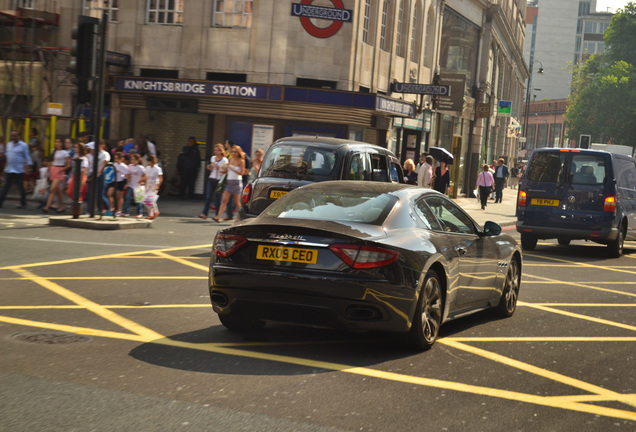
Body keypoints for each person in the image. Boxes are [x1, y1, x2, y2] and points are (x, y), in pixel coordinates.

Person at [0, 130, 33, 209]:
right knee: (5, 186)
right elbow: (7, 155)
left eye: (16, 136)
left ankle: (23, 203)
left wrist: (28, 168)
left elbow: (27, 157)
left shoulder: (23, 145)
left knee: (20, 187)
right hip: (9, 169)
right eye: (13, 136)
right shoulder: (9, 144)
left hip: (19, 170)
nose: (14, 137)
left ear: (19, 136)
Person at [213, 145, 245, 223]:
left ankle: (239, 218)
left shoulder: (241, 161)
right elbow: (226, 172)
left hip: (236, 182)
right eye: (232, 151)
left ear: (239, 152)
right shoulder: (230, 160)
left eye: (235, 151)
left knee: (237, 202)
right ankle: (219, 216)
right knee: (224, 200)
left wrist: (231, 168)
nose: (233, 153)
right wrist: (223, 169)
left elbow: (242, 172)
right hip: (229, 181)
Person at [199, 143, 227, 220]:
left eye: (217, 150)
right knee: (208, 197)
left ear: (221, 151)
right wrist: (209, 167)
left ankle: (217, 215)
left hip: (219, 180)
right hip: (211, 179)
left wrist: (217, 166)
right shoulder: (213, 158)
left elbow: (223, 170)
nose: (216, 151)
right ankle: (204, 213)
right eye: (215, 150)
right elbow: (211, 168)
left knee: (218, 198)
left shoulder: (224, 160)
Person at [43, 138, 70, 213]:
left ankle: (47, 206)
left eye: (58, 142)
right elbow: (50, 161)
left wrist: (62, 169)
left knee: (52, 189)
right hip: (53, 169)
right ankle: (62, 206)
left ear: (62, 144)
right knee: (57, 190)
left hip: (59, 170)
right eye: (56, 142)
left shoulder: (64, 152)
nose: (57, 143)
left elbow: (68, 165)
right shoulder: (53, 151)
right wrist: (48, 170)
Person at [123, 153, 145, 218]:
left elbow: (145, 175)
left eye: (134, 159)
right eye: (132, 159)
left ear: (138, 160)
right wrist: (127, 183)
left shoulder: (141, 167)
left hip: (138, 185)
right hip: (131, 185)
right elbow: (128, 176)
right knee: (127, 198)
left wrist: (142, 181)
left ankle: (139, 213)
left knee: (138, 200)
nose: (133, 161)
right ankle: (126, 212)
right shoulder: (130, 166)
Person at [142, 154, 163, 219]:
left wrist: (158, 185)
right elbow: (145, 176)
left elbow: (161, 178)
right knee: (147, 200)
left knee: (151, 200)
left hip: (154, 185)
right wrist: (142, 181)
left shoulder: (157, 168)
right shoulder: (147, 168)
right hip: (148, 185)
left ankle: (155, 212)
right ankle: (150, 214)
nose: (148, 163)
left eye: (149, 161)